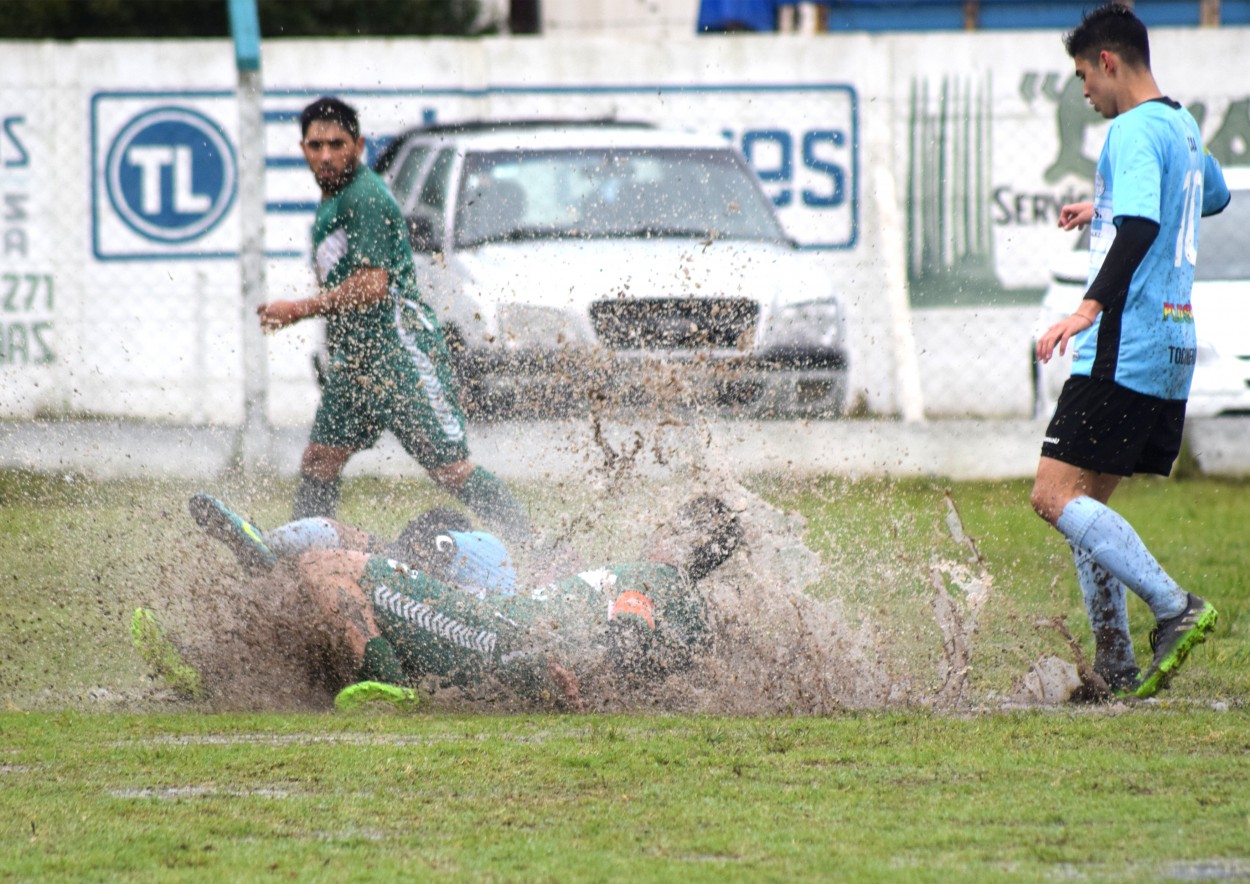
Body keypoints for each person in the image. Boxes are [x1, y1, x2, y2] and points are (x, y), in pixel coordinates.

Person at [1032, 3, 1229, 700]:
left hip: (1123, 342)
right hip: (1171, 343)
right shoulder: (1180, 123)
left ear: (1108, 61)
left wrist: (1088, 306)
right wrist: (1105, 208)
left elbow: (1145, 222)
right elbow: (1213, 194)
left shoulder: (1131, 130)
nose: (1084, 90)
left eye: (1084, 74)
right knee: (1089, 506)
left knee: (1053, 496)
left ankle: (1176, 608)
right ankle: (1113, 663)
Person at [255, 96, 531, 545]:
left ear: (359, 145)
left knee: (451, 469)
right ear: (303, 147)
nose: (326, 155)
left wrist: (297, 309)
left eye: (337, 144)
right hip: (357, 357)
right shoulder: (334, 199)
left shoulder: (365, 197)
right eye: (315, 145)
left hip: (397, 349)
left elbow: (373, 286)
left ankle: (535, 548)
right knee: (320, 460)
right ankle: (303, 559)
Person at [190, 493, 743, 711]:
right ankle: (217, 666)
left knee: (325, 565)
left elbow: (629, 631)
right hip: (503, 635)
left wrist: (560, 674)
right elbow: (636, 651)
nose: (658, 531)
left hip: (501, 636)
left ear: (682, 543)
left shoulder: (656, 580)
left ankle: (386, 685)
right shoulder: (684, 602)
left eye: (671, 526)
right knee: (348, 553)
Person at [187, 492, 517, 598]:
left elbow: (415, 554)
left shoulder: (468, 550)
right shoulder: (496, 571)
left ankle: (268, 546)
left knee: (336, 551)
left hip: (426, 596)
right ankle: (267, 549)